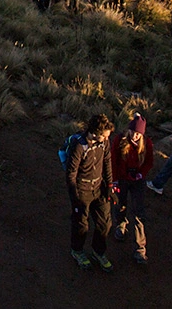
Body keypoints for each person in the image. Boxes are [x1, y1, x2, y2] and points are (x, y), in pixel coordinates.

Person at [65, 113, 115, 271]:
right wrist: (75, 197)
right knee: (81, 224)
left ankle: (98, 251)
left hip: (99, 187)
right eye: (105, 136)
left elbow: (107, 162)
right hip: (82, 189)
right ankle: (77, 250)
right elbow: (71, 173)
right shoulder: (79, 146)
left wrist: (109, 186)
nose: (107, 139)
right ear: (96, 133)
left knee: (105, 223)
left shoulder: (104, 143)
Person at [107, 113, 155, 264]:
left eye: (138, 134)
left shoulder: (146, 144)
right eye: (133, 133)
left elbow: (149, 162)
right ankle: (121, 224)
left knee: (139, 212)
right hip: (121, 179)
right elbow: (113, 161)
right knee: (120, 204)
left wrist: (141, 174)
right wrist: (113, 181)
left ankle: (140, 248)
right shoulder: (119, 141)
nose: (135, 136)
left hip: (137, 181)